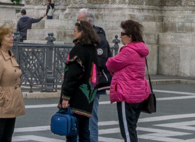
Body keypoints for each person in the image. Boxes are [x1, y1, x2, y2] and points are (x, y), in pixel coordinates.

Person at [106, 19, 151, 142]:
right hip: (138, 93)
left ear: (130, 36)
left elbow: (111, 63)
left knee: (127, 130)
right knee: (131, 128)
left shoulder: (128, 51)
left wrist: (110, 62)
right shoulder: (140, 49)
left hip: (127, 93)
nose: (120, 36)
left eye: (122, 34)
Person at [60, 20, 100, 142]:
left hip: (76, 97)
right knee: (84, 131)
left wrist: (65, 97)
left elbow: (73, 75)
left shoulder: (79, 49)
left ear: (82, 32)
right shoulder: (92, 49)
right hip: (88, 97)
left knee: (72, 130)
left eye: (75, 31)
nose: (73, 33)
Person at [0, 24, 25, 142]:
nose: (12, 38)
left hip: (12, 101)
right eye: (8, 36)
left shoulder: (10, 54)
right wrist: (2, 100)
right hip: (2, 103)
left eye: (12, 35)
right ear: (1, 40)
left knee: (7, 137)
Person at [77, 9, 112, 142]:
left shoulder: (99, 38)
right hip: (83, 83)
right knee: (82, 117)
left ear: (90, 22)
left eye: (80, 21)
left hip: (93, 83)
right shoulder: (84, 37)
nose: (77, 24)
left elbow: (100, 61)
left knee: (91, 117)